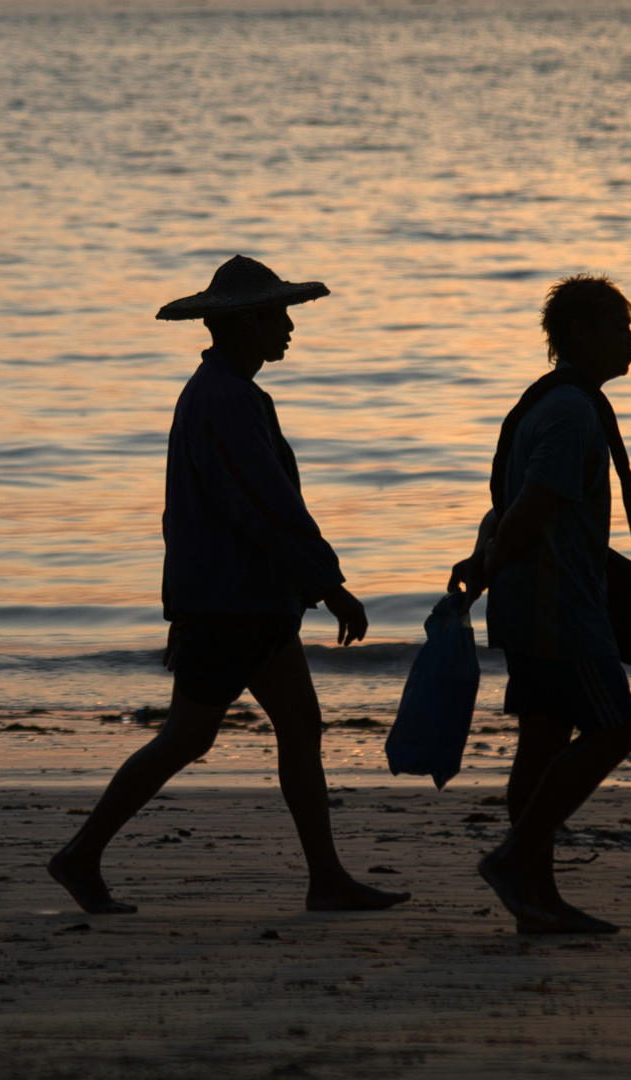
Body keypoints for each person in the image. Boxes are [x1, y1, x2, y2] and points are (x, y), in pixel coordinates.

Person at [49, 255, 410, 916]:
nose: (287, 327)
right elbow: (266, 506)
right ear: (241, 325)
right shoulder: (225, 402)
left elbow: (218, 511)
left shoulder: (226, 394)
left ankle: (325, 877)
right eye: (276, 316)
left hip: (241, 600)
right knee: (190, 736)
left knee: (296, 724)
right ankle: (79, 855)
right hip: (230, 602)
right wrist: (328, 583)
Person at [448, 274, 631, 934]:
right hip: (557, 606)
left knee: (539, 748)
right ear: (583, 334)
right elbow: (531, 504)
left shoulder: (547, 403)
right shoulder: (569, 410)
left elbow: (510, 504)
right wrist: (487, 563)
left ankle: (537, 896)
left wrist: (485, 564)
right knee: (613, 729)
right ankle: (514, 861)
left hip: (531, 601)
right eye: (619, 328)